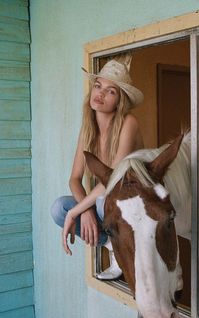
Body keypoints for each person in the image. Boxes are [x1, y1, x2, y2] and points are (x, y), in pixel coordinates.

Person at [51, 57, 144, 280]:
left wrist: (78, 210)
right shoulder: (88, 128)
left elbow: (112, 179)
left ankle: (124, 250)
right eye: (98, 86)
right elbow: (74, 178)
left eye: (111, 91)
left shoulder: (128, 123)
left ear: (119, 100)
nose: (100, 94)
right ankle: (112, 245)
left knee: (102, 199)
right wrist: (84, 211)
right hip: (107, 202)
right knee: (59, 209)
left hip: (134, 199)